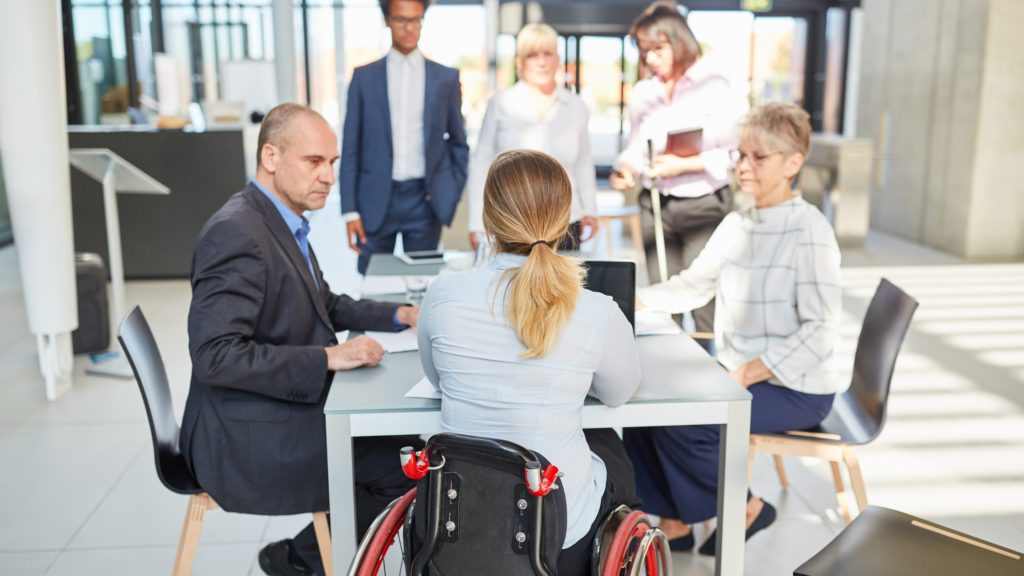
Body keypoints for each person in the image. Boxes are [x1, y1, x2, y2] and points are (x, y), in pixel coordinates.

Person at [181, 104, 422, 576]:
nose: (329, 176)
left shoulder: (277, 218)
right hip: (243, 437)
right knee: (409, 464)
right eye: (314, 161)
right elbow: (215, 356)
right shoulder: (237, 233)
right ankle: (301, 560)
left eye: (332, 163)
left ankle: (302, 556)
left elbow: (323, 302)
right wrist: (328, 357)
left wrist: (401, 313)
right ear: (271, 157)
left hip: (263, 412)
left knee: (402, 447)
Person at [623, 102, 843, 555]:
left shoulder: (811, 231)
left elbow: (821, 331)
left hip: (795, 385)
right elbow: (692, 286)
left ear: (793, 164)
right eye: (740, 155)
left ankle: (747, 508)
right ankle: (676, 523)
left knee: (689, 423)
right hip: (741, 370)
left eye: (757, 157)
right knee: (648, 412)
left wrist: (743, 375)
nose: (743, 166)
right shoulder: (738, 223)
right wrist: (637, 298)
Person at [418, 150, 642, 576]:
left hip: (453, 521)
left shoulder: (443, 293)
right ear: (565, 225)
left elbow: (436, 377)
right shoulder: (595, 310)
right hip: (560, 530)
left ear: (487, 223)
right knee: (614, 451)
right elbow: (619, 392)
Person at [610, 0, 746, 333]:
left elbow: (733, 152)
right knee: (660, 300)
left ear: (679, 39)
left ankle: (704, 375)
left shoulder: (713, 83)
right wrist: (626, 168)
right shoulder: (643, 92)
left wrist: (685, 164)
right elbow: (636, 147)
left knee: (703, 300)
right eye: (645, 52)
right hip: (656, 206)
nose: (651, 59)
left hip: (704, 206)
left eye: (658, 49)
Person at [340, 0, 469, 275]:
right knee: (374, 286)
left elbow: (458, 141)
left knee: (422, 285)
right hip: (373, 201)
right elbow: (351, 146)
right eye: (400, 19)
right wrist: (350, 210)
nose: (409, 28)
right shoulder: (363, 78)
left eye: (416, 19)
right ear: (387, 19)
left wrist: (450, 192)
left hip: (425, 201)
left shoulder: (446, 79)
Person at [467, 23, 599, 252]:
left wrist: (591, 209)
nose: (541, 62)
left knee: (562, 287)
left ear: (557, 59)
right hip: (513, 222)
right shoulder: (500, 103)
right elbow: (481, 163)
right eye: (532, 55)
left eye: (548, 54)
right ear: (519, 62)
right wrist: (476, 222)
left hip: (565, 222)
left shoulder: (576, 107)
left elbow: (583, 162)